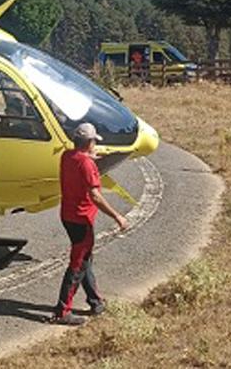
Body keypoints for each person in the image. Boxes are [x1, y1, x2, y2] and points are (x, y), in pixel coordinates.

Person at [49, 122, 130, 325]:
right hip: (81, 219)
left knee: (85, 259)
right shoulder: (87, 164)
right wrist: (117, 216)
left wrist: (90, 159)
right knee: (77, 265)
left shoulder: (67, 156)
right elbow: (95, 195)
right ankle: (62, 311)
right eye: (94, 141)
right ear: (90, 142)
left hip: (67, 215)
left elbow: (80, 161)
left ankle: (95, 301)